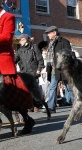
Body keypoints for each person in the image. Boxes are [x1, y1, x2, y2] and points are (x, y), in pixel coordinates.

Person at [0, 1, 35, 134]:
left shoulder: (8, 16)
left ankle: (27, 119)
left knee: (14, 96)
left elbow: (7, 37)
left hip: (3, 62)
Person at [42, 26, 73, 113]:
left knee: (69, 88)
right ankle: (51, 107)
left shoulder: (64, 42)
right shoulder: (50, 43)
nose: (48, 35)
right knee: (52, 88)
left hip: (63, 69)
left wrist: (66, 67)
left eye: (49, 33)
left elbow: (69, 55)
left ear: (54, 33)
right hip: (53, 69)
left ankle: (77, 105)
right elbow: (50, 57)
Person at [15, 34, 45, 112]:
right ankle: (30, 105)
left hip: (33, 72)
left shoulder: (34, 48)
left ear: (25, 40)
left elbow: (40, 60)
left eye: (20, 40)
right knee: (26, 90)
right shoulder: (19, 50)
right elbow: (15, 60)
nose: (19, 42)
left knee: (34, 89)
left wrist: (38, 70)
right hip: (24, 73)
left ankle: (37, 105)